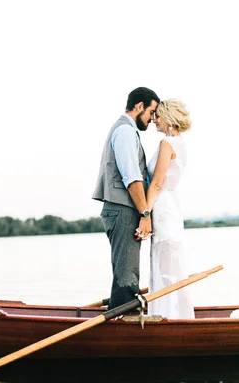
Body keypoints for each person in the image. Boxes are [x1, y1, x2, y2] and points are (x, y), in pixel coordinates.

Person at [92, 87, 159, 310]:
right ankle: (126, 324)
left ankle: (121, 318)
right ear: (139, 107)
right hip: (122, 209)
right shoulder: (126, 132)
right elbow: (132, 178)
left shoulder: (125, 130)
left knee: (125, 272)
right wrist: (145, 214)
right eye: (151, 112)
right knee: (127, 276)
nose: (152, 119)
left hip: (121, 209)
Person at [145, 99, 194, 319]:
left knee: (164, 266)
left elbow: (156, 183)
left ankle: (166, 317)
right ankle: (177, 314)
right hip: (172, 205)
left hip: (163, 207)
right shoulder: (181, 144)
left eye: (158, 116)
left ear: (169, 117)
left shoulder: (167, 143)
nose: (154, 121)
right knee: (172, 266)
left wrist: (144, 214)